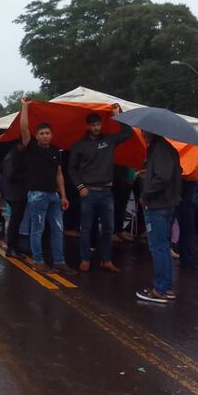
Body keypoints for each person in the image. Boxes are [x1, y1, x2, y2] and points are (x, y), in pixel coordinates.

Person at [68, 107, 132, 273]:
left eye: (98, 124)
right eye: (93, 125)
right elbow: (72, 169)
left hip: (106, 192)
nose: (96, 127)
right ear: (87, 126)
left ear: (101, 124)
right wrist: (80, 187)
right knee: (86, 227)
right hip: (88, 192)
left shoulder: (109, 140)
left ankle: (106, 259)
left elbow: (128, 133)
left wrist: (119, 116)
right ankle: (85, 259)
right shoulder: (79, 145)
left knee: (109, 228)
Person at [20, 98, 76, 275]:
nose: (44, 135)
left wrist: (64, 195)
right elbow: (23, 128)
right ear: (37, 136)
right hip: (37, 195)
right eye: (41, 133)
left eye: (47, 133)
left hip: (54, 195)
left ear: (51, 135)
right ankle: (38, 261)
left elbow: (59, 174)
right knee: (38, 229)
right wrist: (25, 106)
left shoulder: (55, 151)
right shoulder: (32, 148)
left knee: (58, 229)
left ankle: (59, 262)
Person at [135, 132, 182, 304]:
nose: (142, 134)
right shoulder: (165, 149)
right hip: (167, 203)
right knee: (164, 246)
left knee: (158, 247)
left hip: (158, 204)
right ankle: (166, 287)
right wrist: (148, 173)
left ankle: (160, 289)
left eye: (143, 131)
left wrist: (146, 194)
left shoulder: (160, 149)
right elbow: (168, 172)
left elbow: (163, 176)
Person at [0, 141, 27, 254]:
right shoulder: (13, 157)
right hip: (15, 193)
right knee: (15, 220)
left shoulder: (12, 155)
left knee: (15, 219)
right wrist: (27, 175)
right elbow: (12, 176)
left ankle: (12, 245)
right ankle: (12, 246)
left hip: (13, 192)